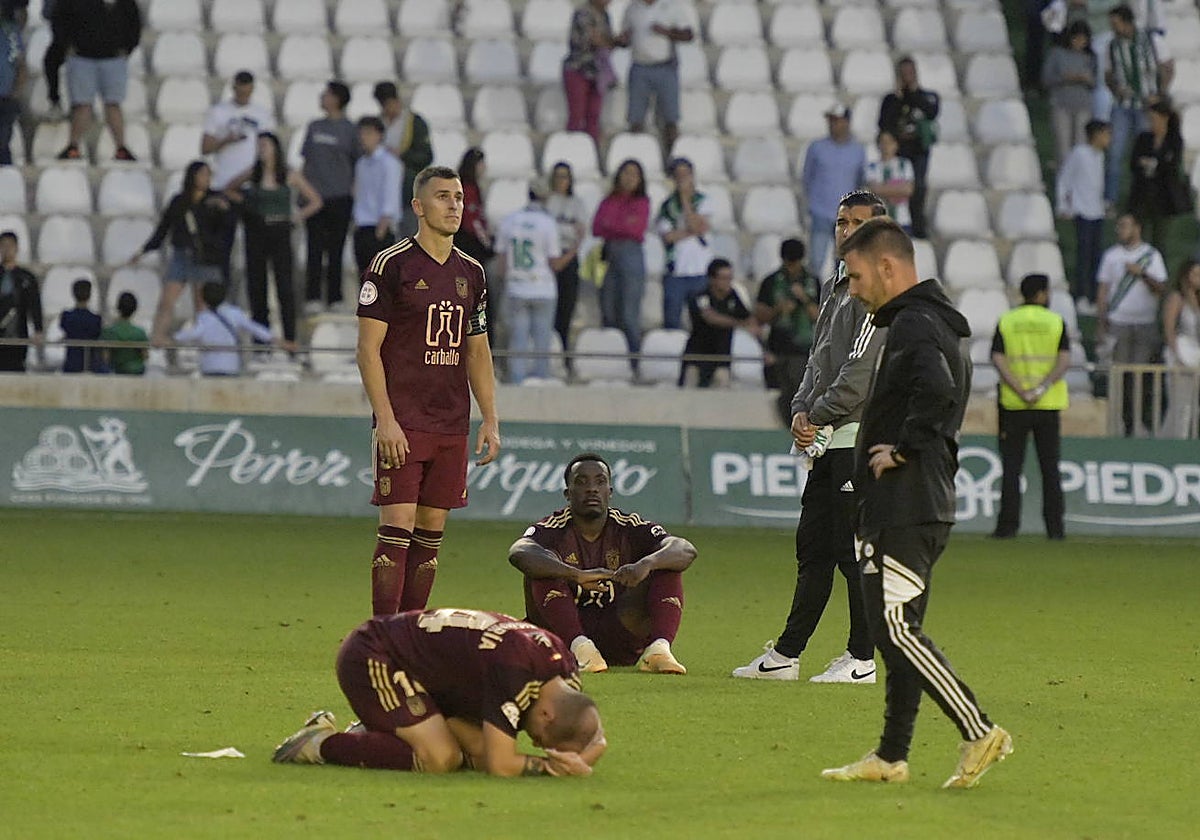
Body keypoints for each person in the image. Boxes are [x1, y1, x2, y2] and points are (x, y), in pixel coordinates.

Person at [822, 216, 1012, 789]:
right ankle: (891, 755)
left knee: (896, 629)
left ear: (887, 267)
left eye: (856, 276)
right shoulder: (928, 321)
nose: (853, 289)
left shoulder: (915, 324)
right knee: (894, 633)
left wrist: (902, 448)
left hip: (906, 504)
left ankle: (979, 730)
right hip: (908, 502)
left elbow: (937, 391)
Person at [732, 190, 886, 685]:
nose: (847, 230)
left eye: (859, 222)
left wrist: (815, 415)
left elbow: (859, 372)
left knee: (852, 553)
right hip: (828, 439)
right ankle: (786, 655)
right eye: (841, 221)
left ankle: (861, 659)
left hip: (857, 438)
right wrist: (800, 408)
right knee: (814, 548)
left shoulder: (877, 289)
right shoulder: (836, 283)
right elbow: (819, 359)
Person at [356, 165, 501, 616]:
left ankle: (411, 631)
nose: (454, 205)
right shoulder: (390, 265)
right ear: (418, 206)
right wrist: (385, 420)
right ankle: (383, 634)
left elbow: (478, 350)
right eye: (443, 197)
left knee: (431, 532)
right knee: (397, 525)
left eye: (458, 197)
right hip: (403, 421)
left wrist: (490, 418)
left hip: (451, 424)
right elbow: (367, 350)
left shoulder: (472, 272)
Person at [272, 608, 605, 777]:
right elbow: (502, 766)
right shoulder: (515, 671)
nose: (535, 743)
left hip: (425, 676)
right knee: (441, 758)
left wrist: (587, 752)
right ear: (546, 714)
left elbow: (593, 730)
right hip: (374, 654)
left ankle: (379, 730)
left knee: (477, 752)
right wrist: (551, 768)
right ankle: (318, 744)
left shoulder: (565, 671)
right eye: (541, 739)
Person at [509, 453, 696, 674]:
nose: (592, 489)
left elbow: (685, 549)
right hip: (565, 641)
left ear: (610, 491)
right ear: (568, 494)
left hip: (619, 633)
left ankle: (659, 651)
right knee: (541, 567)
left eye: (600, 481)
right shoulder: (553, 528)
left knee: (667, 564)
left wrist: (646, 563)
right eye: (582, 482)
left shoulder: (629, 526)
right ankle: (582, 650)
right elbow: (519, 551)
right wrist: (574, 574)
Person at [990, 274, 1071, 540]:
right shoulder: (1055, 321)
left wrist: (1020, 389)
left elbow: (998, 358)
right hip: (1046, 404)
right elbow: (1064, 360)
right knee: (1050, 468)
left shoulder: (1007, 320)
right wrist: (1041, 388)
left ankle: (1007, 527)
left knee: (1012, 468)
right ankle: (1055, 529)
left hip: (1014, 404)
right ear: (1041, 294)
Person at [225, 132, 323, 347]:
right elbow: (230, 188)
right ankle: (261, 341)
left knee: (285, 287)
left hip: (280, 229)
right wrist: (246, 204)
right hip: (257, 230)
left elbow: (315, 200)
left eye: (266, 145)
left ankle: (289, 339)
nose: (262, 149)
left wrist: (296, 217)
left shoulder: (288, 174)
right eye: (259, 145)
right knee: (257, 287)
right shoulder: (253, 173)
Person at [130, 161, 231, 346]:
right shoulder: (179, 202)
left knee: (202, 305)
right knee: (167, 300)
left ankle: (205, 342)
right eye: (202, 174)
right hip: (182, 254)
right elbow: (163, 228)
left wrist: (220, 210)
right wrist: (144, 250)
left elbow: (223, 229)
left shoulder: (215, 200)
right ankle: (158, 337)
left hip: (205, 257)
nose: (206, 179)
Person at [201, 70, 277, 286]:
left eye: (247, 90)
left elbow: (271, 148)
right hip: (223, 185)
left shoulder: (262, 114)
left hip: (253, 186)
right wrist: (226, 140)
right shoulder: (219, 112)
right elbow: (205, 147)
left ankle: (254, 293)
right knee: (222, 245)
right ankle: (220, 292)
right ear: (233, 87)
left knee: (256, 247)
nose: (243, 94)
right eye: (240, 90)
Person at [1096, 213, 1167, 436]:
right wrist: (1101, 322)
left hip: (1144, 323)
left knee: (1140, 375)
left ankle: (1139, 422)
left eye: (1125, 226)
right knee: (1119, 375)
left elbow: (1161, 288)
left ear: (1137, 228)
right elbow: (1103, 290)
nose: (1120, 230)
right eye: (1119, 226)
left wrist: (1141, 273)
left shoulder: (1152, 255)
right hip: (1119, 322)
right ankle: (1121, 422)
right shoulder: (1111, 256)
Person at [50, 0, 142, 162]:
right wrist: (66, 45)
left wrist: (127, 47)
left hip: (113, 58)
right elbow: (59, 18)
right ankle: (73, 146)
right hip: (81, 57)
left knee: (113, 103)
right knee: (82, 104)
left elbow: (134, 21)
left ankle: (121, 148)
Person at [494, 181, 566, 384]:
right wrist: (574, 249)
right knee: (541, 342)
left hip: (516, 287)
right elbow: (555, 263)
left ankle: (517, 382)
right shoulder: (548, 223)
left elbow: (501, 265)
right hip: (543, 288)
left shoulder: (510, 221)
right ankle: (540, 383)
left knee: (518, 341)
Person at [1103, 4, 1172, 206]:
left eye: (1115, 23)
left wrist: (1159, 94)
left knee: (1144, 152)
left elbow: (1168, 67)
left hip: (1147, 107)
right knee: (1115, 152)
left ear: (1127, 22)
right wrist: (1116, 89)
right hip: (1122, 105)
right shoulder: (1112, 46)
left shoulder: (1152, 40)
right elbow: (1108, 75)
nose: (1113, 28)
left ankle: (1142, 196)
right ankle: (1110, 198)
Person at [301, 80, 359, 315]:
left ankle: (335, 297)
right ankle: (312, 296)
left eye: (326, 94)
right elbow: (306, 160)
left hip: (339, 197)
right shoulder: (314, 127)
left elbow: (356, 164)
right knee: (314, 249)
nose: (322, 97)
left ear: (336, 99)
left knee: (336, 250)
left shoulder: (350, 130)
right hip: (314, 197)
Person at [754, 238, 820, 422]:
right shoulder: (771, 281)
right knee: (780, 394)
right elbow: (759, 316)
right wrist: (778, 309)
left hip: (804, 350)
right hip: (778, 348)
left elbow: (821, 316)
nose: (792, 268)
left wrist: (804, 298)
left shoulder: (813, 281)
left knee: (799, 394)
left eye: (795, 263)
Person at [592, 158, 650, 356]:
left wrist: (612, 225)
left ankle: (633, 358)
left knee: (628, 314)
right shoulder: (609, 200)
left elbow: (635, 229)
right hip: (608, 254)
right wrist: (621, 224)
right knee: (608, 310)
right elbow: (597, 227)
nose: (629, 178)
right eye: (626, 173)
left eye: (634, 174)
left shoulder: (642, 202)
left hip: (630, 255)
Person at [619, 0, 693, 154]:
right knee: (635, 120)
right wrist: (623, 39)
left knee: (670, 120)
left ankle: (672, 158)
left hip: (665, 67)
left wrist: (667, 32)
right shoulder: (632, 8)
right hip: (639, 67)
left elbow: (688, 35)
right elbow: (625, 37)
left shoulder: (671, 6)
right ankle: (636, 157)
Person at [878, 57, 940, 239]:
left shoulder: (927, 97)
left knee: (918, 188)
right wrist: (899, 98)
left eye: (910, 73)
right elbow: (884, 124)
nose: (907, 77)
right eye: (903, 74)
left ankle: (918, 228)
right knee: (894, 190)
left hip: (918, 152)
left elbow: (932, 112)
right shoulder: (891, 99)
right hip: (897, 152)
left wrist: (913, 93)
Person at [801, 105, 866, 277]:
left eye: (837, 121)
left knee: (844, 264)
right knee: (816, 261)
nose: (833, 125)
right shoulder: (816, 148)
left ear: (846, 122)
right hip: (821, 212)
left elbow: (860, 181)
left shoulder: (858, 150)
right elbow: (807, 177)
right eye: (831, 121)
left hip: (846, 215)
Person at [173, 281, 289, 376]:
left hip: (209, 366)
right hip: (232, 366)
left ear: (203, 298)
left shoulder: (204, 317)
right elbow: (255, 328)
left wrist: (173, 338)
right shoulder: (234, 313)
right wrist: (278, 341)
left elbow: (194, 333)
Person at [1056, 120, 1111, 309]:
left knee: (1096, 256)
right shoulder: (1079, 153)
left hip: (1097, 212)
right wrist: (1063, 205)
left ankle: (1094, 296)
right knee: (1083, 256)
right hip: (1082, 211)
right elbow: (1065, 179)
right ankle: (1080, 295)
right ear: (1096, 135)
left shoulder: (1100, 156)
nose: (1108, 139)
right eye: (1105, 134)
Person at [679, 258, 755, 388]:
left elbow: (748, 319)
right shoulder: (701, 297)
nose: (728, 282)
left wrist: (735, 322)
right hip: (696, 358)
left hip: (721, 358)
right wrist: (738, 323)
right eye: (723, 278)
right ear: (712, 279)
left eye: (730, 278)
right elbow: (711, 318)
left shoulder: (733, 296)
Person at [656, 157, 713, 330]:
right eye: (678, 175)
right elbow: (668, 237)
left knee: (702, 323)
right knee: (671, 322)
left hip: (701, 270)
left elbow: (698, 226)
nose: (682, 178)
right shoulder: (667, 206)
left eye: (685, 174)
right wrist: (692, 231)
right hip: (675, 272)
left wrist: (685, 200)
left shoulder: (703, 201)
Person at [1128, 98, 1186, 262]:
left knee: (1159, 240)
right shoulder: (1143, 138)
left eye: (1154, 119)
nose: (1151, 123)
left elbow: (1171, 167)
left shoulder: (1174, 141)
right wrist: (1153, 164)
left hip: (1163, 196)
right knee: (1138, 236)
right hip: (1142, 194)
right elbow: (1134, 163)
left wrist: (1152, 163)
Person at [373, 81, 432, 238]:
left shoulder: (414, 123)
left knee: (409, 237)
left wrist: (402, 155)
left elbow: (426, 156)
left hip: (407, 190)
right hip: (382, 192)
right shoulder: (378, 123)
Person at [545, 162, 587, 361]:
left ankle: (564, 352)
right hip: (548, 260)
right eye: (558, 176)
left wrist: (567, 257)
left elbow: (580, 235)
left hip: (568, 258)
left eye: (565, 176)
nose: (561, 180)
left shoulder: (577, 204)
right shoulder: (547, 202)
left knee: (566, 308)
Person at [1042, 20, 1097, 169]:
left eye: (1083, 39)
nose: (1079, 43)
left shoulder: (1090, 57)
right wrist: (1065, 78)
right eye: (1076, 39)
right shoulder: (1057, 54)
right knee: (1063, 148)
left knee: (1080, 147)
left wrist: (1086, 79)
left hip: (1083, 105)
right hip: (1061, 105)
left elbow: (1095, 82)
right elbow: (1046, 79)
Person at [352, 116, 402, 278]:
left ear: (379, 135)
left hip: (380, 227)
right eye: (361, 133)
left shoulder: (389, 163)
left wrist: (382, 227)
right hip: (362, 225)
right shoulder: (361, 163)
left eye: (368, 133)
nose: (363, 138)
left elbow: (390, 194)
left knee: (380, 279)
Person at [563, 0, 619, 146]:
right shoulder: (583, 13)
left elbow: (607, 41)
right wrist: (613, 41)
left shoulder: (605, 15)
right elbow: (594, 40)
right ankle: (572, 148)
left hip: (597, 72)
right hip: (578, 69)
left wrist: (614, 41)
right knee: (577, 115)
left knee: (594, 116)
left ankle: (591, 150)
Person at [1161, 259, 1200, 438]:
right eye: (1195, 274)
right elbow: (1169, 329)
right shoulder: (1177, 298)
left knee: (1193, 406)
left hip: (1196, 352)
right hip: (1180, 350)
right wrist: (1176, 356)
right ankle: (1175, 440)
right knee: (1180, 404)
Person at [0, 230, 42, 372]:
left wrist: (38, 329)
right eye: (3, 245)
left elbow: (35, 304)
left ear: (16, 248)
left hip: (17, 332)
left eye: (10, 246)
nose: (7, 249)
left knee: (15, 368)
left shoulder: (26, 277)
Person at [863, 130, 915, 234]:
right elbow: (873, 190)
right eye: (883, 142)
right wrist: (897, 189)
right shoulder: (872, 167)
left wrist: (882, 189)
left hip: (901, 221)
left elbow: (908, 190)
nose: (886, 146)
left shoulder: (904, 164)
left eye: (890, 142)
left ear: (896, 145)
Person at [454, 147, 494, 267]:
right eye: (481, 164)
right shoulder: (468, 189)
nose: (484, 167)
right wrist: (485, 241)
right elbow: (471, 220)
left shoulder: (465, 185)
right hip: (468, 242)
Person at [60, 278, 103, 373]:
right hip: (90, 364)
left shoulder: (66, 316)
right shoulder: (96, 319)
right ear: (90, 295)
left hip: (71, 363)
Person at [0, 1, 24, 166]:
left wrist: (16, 91)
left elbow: (20, 63)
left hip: (6, 95)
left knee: (3, 141)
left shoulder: (10, 30)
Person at [100, 291, 147, 375]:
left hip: (117, 371)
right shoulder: (140, 333)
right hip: (136, 372)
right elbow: (145, 356)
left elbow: (105, 357)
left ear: (118, 307)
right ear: (134, 309)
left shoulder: (109, 332)